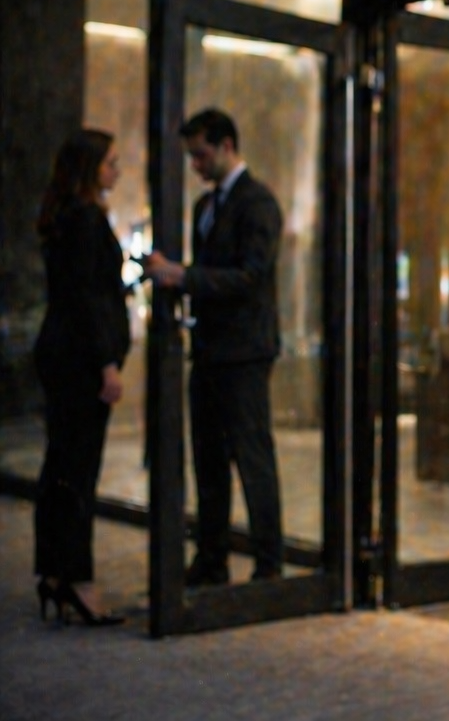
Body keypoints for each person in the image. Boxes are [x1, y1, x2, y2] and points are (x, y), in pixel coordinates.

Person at [144, 108, 284, 585]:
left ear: (227, 146)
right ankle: (211, 558)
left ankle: (268, 564)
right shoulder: (206, 206)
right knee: (208, 458)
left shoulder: (258, 203)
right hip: (210, 349)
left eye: (201, 155)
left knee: (251, 456)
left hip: (244, 353)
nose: (196, 166)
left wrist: (183, 277)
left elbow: (250, 277)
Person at [32, 129, 130, 626]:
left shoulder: (64, 217)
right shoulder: (87, 219)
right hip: (81, 361)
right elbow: (88, 299)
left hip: (61, 355)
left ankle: (55, 574)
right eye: (110, 162)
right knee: (78, 472)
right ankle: (77, 581)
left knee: (60, 466)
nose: (117, 170)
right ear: (90, 168)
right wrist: (107, 363)